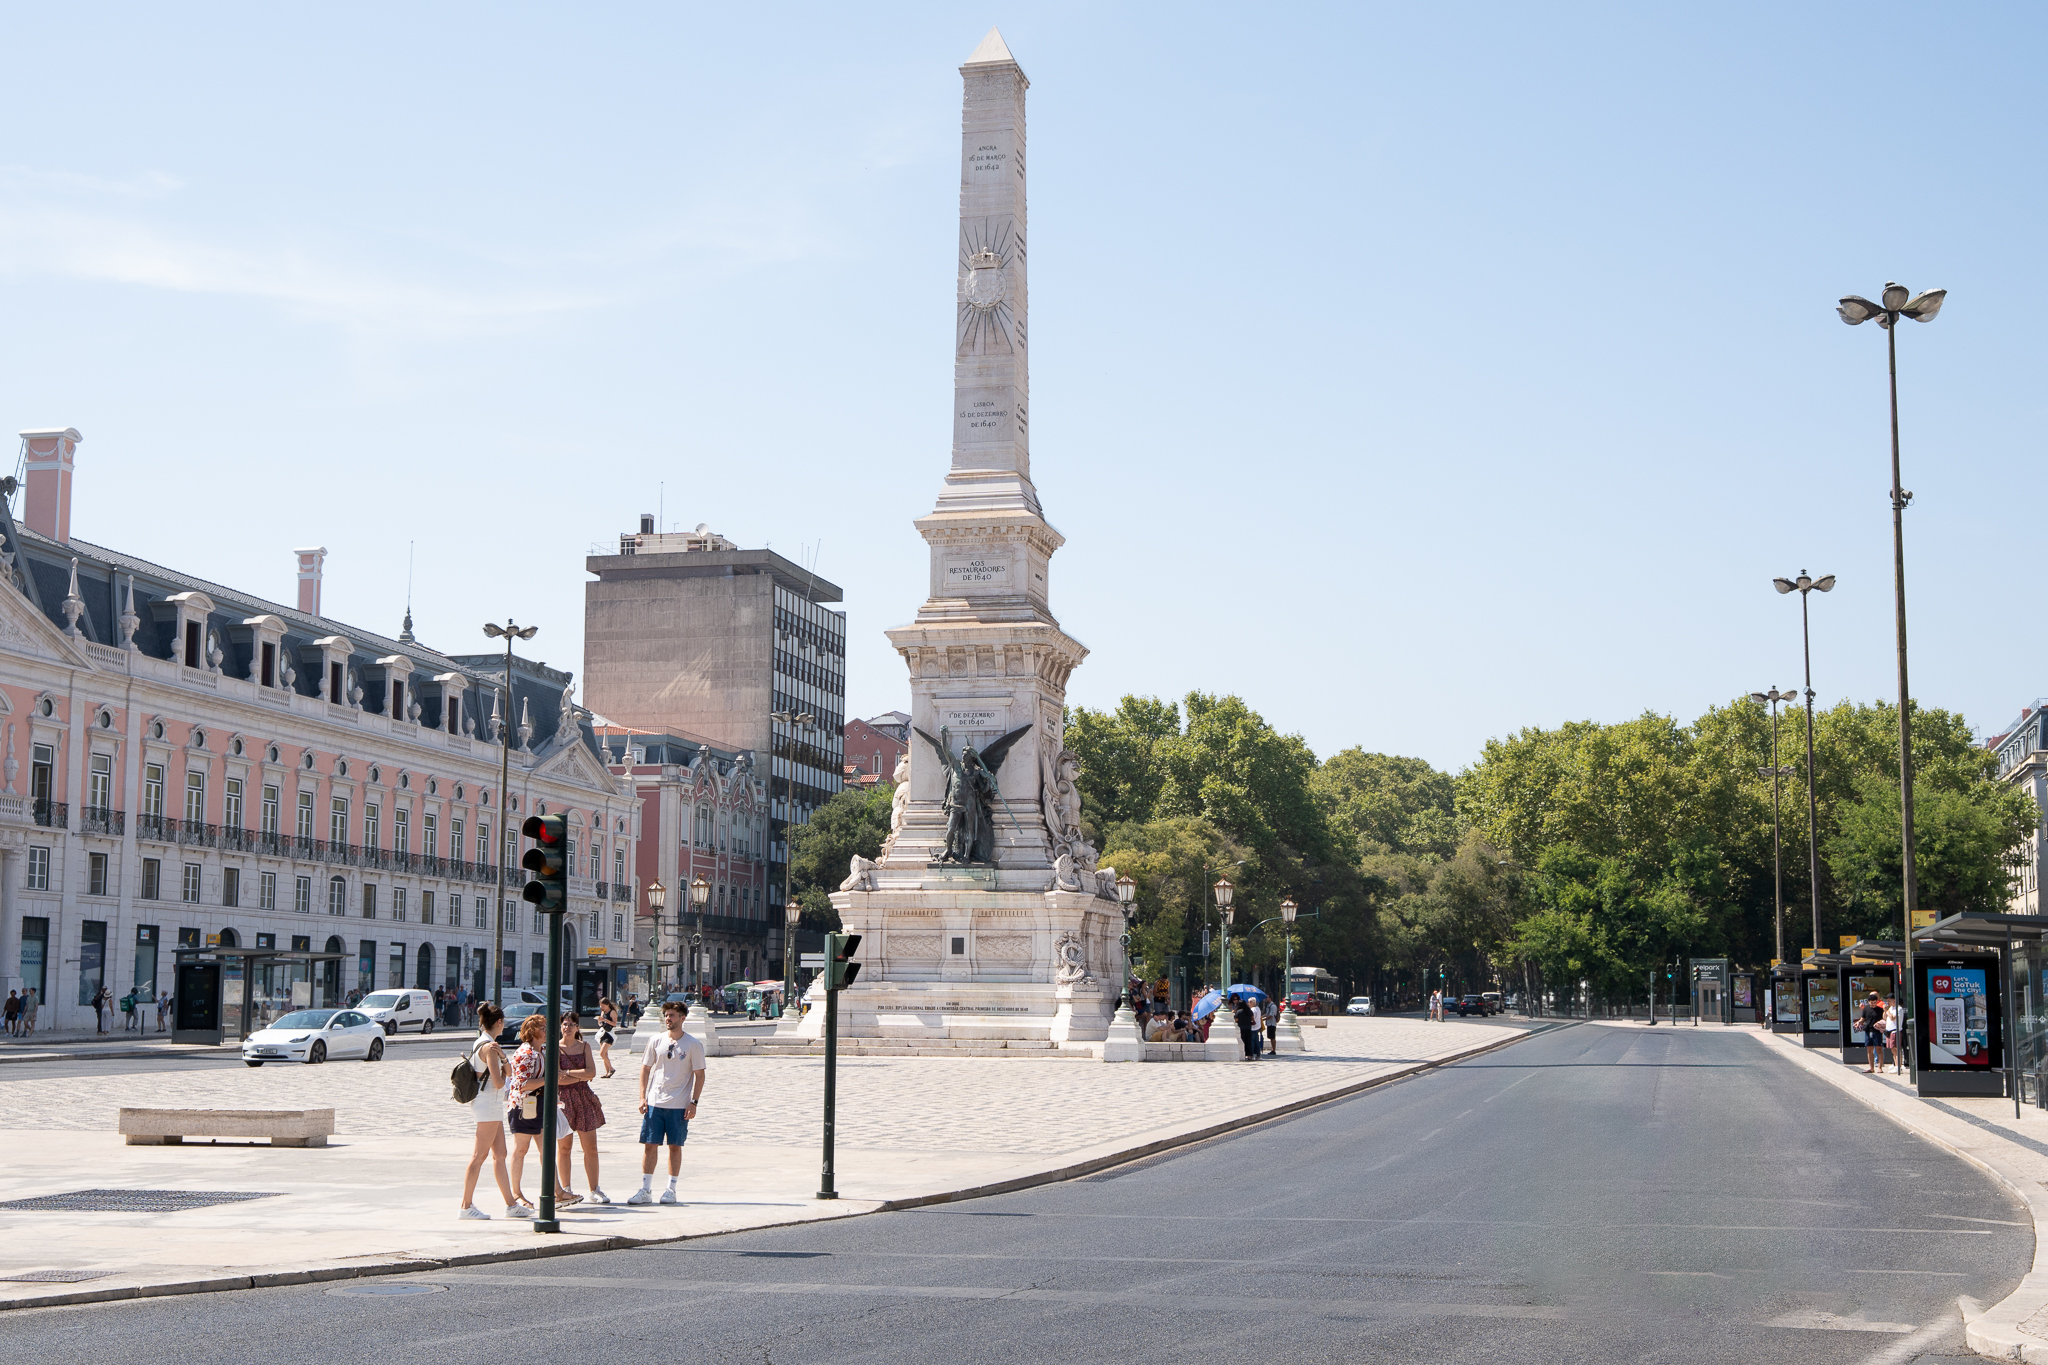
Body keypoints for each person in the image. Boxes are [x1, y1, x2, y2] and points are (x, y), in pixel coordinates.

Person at [630, 999, 705, 1205]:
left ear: (682, 1018)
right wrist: (642, 1096)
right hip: (655, 1102)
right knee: (650, 1145)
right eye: (666, 1015)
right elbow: (645, 1069)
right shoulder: (656, 1040)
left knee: (675, 1146)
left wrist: (694, 1102)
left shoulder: (693, 1044)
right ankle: (645, 1189)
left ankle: (671, 1189)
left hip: (679, 1104)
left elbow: (700, 1074)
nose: (668, 1019)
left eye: (672, 1015)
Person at [458, 1001, 525, 1220]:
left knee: (500, 1154)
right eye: (503, 1022)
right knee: (479, 1155)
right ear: (498, 1022)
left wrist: (504, 1058)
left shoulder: (487, 1044)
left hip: (492, 1104)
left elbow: (509, 1070)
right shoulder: (488, 1047)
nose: (504, 1026)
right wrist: (503, 1062)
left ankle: (511, 1204)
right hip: (487, 1103)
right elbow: (499, 1081)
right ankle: (466, 1206)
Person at [504, 1014, 569, 1210]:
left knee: (546, 1149)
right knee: (521, 1149)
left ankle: (557, 1191)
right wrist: (550, 1078)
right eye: (543, 1027)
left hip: (539, 1104)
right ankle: (516, 1193)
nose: (547, 1031)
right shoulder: (525, 1053)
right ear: (532, 1031)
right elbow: (521, 1084)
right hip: (524, 1107)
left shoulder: (542, 1051)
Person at [554, 1014, 609, 1205]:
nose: (567, 1028)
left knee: (591, 1147)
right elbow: (556, 1078)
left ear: (578, 1027)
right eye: (565, 1024)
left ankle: (595, 1189)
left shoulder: (584, 1046)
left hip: (583, 1097)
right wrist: (580, 1076)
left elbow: (591, 1072)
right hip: (562, 1099)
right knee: (564, 1147)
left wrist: (569, 1074)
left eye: (571, 1025)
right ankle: (566, 1189)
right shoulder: (555, 1048)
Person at [1858, 992, 1886, 1074]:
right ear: (1868, 1002)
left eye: (1874, 1003)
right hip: (1868, 1030)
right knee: (1869, 1049)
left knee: (1879, 1049)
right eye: (1871, 1003)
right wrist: (1859, 1022)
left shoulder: (1880, 1010)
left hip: (1876, 1031)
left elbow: (1884, 1019)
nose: (1873, 1004)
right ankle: (1871, 1068)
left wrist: (1885, 1010)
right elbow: (1863, 1018)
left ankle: (1880, 1067)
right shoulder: (1866, 1009)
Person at [597, 997, 619, 1078]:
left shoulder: (612, 1012)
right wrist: (600, 1021)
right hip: (603, 1033)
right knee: (605, 1055)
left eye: (603, 1006)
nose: (601, 1007)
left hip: (609, 1034)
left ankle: (611, 1069)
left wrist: (606, 1020)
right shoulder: (603, 1012)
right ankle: (607, 1072)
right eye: (600, 1006)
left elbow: (614, 1023)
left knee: (602, 1053)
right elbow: (601, 1024)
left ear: (607, 1005)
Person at [1881, 994, 1903, 1074]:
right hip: (1889, 1030)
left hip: (1895, 1030)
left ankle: (1899, 1066)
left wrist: (1887, 1011)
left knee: (1896, 1048)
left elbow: (1893, 1018)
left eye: (1889, 1000)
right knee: (1892, 1049)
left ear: (1894, 1000)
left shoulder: (1899, 1009)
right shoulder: (1890, 1008)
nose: (1888, 1002)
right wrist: (1885, 1011)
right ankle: (1895, 1064)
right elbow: (1884, 1017)